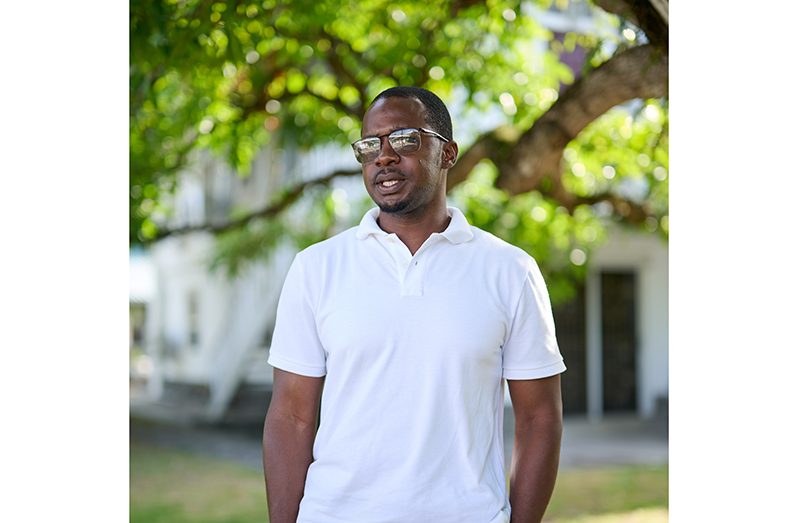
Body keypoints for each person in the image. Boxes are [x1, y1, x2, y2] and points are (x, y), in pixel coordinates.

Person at [262, 86, 566, 523]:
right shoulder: (315, 268)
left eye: (404, 140)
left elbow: (539, 419)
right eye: (370, 145)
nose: (383, 156)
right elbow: (290, 416)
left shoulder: (510, 271)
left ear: (447, 153)